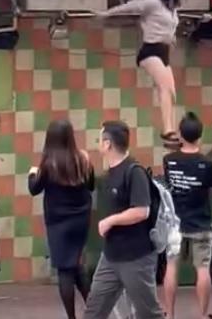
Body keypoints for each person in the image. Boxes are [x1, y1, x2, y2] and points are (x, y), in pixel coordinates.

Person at [97, 0, 188, 148]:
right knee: (164, 86)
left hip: (164, 52)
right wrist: (106, 14)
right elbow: (130, 7)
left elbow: (170, 29)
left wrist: (172, 39)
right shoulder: (153, 3)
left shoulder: (172, 10)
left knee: (171, 91)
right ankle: (168, 131)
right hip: (150, 51)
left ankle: (171, 131)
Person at [84, 120, 164, 319]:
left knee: (148, 313)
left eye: (100, 139)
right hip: (110, 256)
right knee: (94, 310)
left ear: (108, 144)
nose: (98, 143)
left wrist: (110, 221)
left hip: (136, 257)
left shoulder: (134, 172)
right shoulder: (110, 173)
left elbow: (142, 211)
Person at [28, 120, 94, 319]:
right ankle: (95, 312)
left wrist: (32, 173)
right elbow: (91, 186)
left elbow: (34, 189)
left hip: (58, 224)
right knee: (76, 266)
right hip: (81, 221)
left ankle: (73, 317)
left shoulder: (48, 163)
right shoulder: (83, 159)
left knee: (65, 270)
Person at [163, 112, 212, 319]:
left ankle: (169, 314)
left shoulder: (169, 161)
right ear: (200, 136)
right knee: (202, 269)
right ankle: (203, 315)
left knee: (171, 267)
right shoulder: (209, 165)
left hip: (175, 225)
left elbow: (169, 184)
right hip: (201, 224)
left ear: (180, 134)